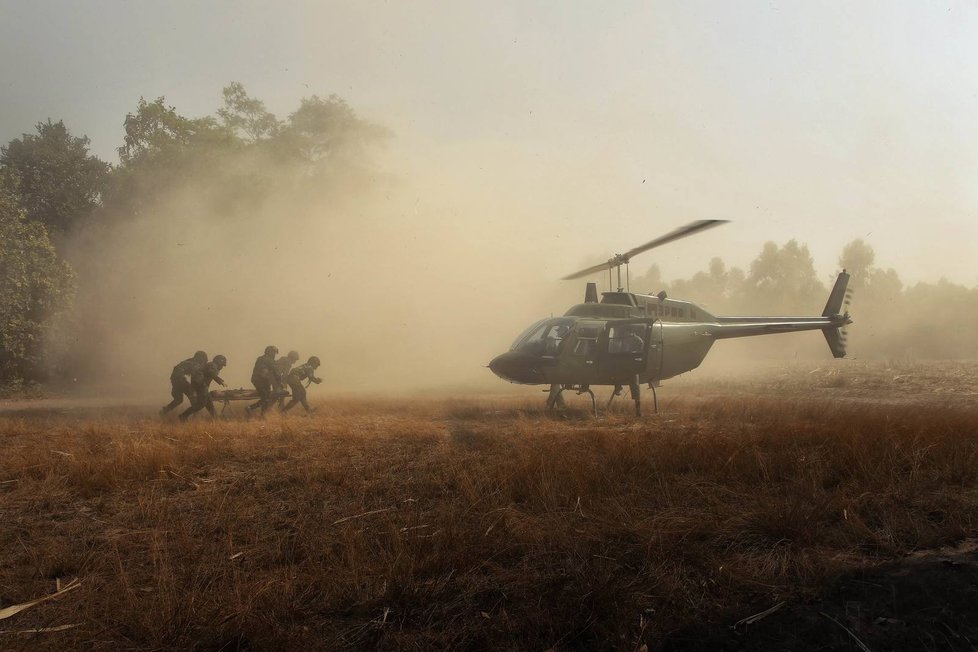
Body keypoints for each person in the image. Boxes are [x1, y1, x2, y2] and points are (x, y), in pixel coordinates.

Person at [179, 354, 227, 421]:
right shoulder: (212, 365)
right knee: (201, 404)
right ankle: (183, 415)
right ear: (218, 363)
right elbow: (211, 373)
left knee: (209, 403)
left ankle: (216, 419)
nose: (222, 367)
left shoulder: (211, 365)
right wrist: (221, 381)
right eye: (222, 365)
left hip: (202, 386)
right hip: (201, 386)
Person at [161, 350, 207, 415]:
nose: (203, 363)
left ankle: (164, 411)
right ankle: (194, 416)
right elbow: (195, 379)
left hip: (174, 380)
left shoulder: (189, 361)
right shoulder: (194, 364)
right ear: (200, 359)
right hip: (180, 380)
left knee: (178, 400)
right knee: (193, 397)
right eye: (203, 361)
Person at [246, 345, 280, 417]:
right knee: (265, 398)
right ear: (270, 352)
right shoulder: (269, 360)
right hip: (260, 380)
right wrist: (279, 383)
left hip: (259, 380)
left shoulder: (261, 358)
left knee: (266, 398)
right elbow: (275, 373)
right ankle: (259, 413)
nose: (274, 355)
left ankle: (255, 411)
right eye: (274, 353)